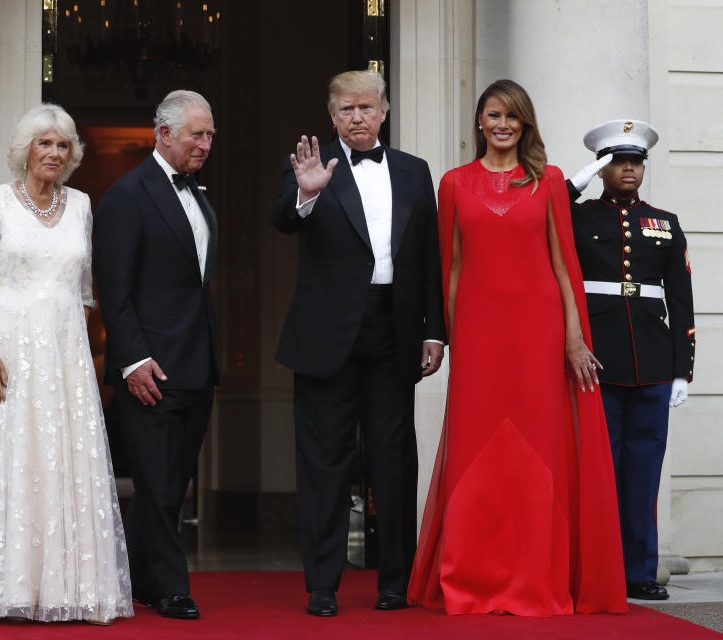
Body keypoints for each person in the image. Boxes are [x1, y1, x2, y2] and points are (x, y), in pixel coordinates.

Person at [406, 79, 629, 615]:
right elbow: (452, 266)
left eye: (512, 116)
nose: (502, 124)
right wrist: (451, 339)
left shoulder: (548, 181)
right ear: (478, 122)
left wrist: (574, 339)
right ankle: (472, 576)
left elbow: (563, 266)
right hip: (480, 337)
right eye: (493, 115)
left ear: (525, 124)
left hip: (541, 334)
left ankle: (536, 576)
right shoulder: (453, 184)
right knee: (474, 448)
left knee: (540, 448)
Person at [0, 104, 132, 624]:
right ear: (25, 150)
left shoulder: (84, 204)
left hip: (64, 359)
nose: (55, 154)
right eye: (45, 143)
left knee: (60, 465)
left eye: (63, 146)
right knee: (7, 462)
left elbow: (85, 292)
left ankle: (65, 589)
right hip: (7, 353)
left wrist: (76, 356)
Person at [271, 70, 445, 617]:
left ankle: (395, 580)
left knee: (394, 460)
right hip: (327, 335)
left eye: (367, 108)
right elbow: (282, 221)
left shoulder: (415, 172)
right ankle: (323, 584)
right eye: (346, 109)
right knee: (324, 461)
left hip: (394, 329)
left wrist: (434, 328)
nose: (357, 117)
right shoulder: (311, 164)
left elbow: (430, 255)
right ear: (332, 116)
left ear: (385, 111)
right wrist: (304, 193)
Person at [93, 90, 218, 621]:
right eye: (197, 133)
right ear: (163, 134)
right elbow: (113, 289)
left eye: (210, 134)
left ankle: (143, 578)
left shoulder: (201, 195)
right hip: (151, 368)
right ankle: (172, 587)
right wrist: (132, 360)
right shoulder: (127, 194)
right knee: (159, 482)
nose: (206, 143)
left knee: (171, 481)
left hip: (197, 362)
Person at [567, 120, 695, 601]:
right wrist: (574, 183)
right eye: (618, 162)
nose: (628, 170)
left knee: (643, 471)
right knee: (598, 471)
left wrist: (682, 369)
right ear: (602, 170)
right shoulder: (578, 216)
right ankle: (596, 569)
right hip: (595, 360)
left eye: (635, 162)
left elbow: (680, 298)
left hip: (653, 364)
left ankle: (639, 572)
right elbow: (539, 214)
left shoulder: (665, 221)